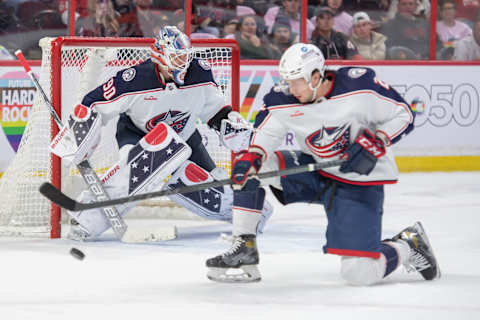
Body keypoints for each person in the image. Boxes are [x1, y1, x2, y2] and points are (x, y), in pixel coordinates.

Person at [206, 43, 440, 286]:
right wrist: (252, 157)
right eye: (287, 80)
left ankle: (408, 244)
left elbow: (404, 114)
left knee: (359, 274)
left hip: (358, 183)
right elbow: (264, 136)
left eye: (297, 81)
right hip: (318, 171)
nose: (291, 88)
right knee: (254, 168)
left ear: (316, 76)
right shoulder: (284, 98)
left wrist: (377, 141)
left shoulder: (359, 87)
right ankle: (244, 249)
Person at [49, 26, 272, 241]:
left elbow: (214, 109)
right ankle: (87, 218)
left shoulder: (199, 72)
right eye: (176, 57)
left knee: (209, 188)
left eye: (185, 56)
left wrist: (230, 124)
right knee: (137, 173)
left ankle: (253, 212)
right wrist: (79, 133)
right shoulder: (134, 79)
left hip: (185, 138)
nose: (183, 63)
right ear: (160, 56)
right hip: (138, 135)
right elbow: (93, 102)